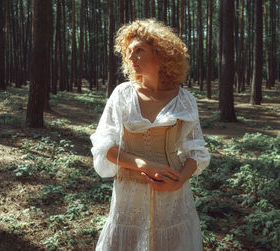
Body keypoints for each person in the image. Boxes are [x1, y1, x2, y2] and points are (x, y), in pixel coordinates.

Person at [90, 19, 210, 251]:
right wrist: (143, 163)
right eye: (128, 52)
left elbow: (195, 151)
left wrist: (179, 181)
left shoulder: (184, 100)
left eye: (139, 51)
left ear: (161, 54)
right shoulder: (122, 95)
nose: (131, 57)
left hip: (174, 197)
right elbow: (105, 147)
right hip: (129, 194)